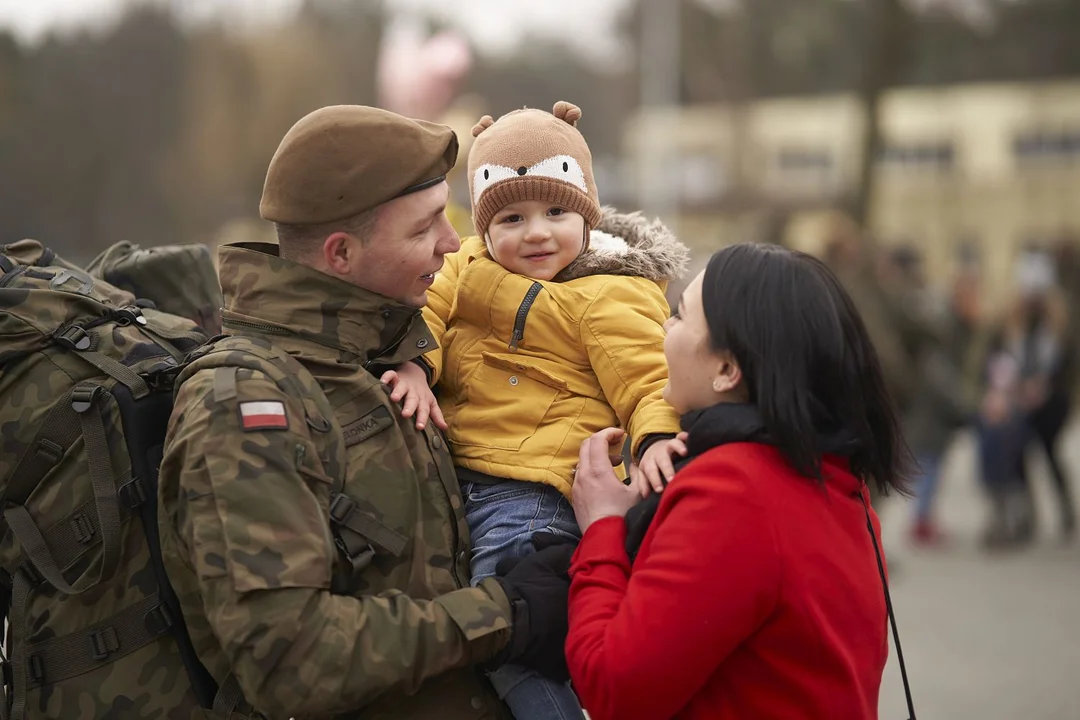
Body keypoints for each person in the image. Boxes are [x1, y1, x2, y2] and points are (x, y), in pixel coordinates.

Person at [157, 105, 575, 720]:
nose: (452, 242)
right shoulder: (243, 402)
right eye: (424, 227)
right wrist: (505, 613)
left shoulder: (379, 357)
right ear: (341, 254)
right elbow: (291, 659)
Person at [382, 101, 689, 719]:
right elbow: (427, 315)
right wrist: (418, 365)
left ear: (586, 212)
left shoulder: (611, 290)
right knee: (534, 637)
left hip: (536, 496)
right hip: (469, 487)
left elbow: (648, 376)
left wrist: (654, 438)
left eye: (556, 211)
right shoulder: (465, 266)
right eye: (513, 217)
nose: (537, 233)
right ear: (485, 227)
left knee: (506, 640)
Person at [564, 243, 910, 720]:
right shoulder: (832, 478)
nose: (665, 328)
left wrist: (603, 527)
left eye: (681, 316)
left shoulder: (734, 492)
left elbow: (614, 688)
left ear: (727, 370)